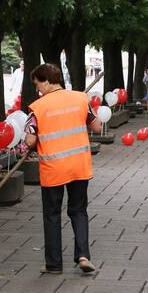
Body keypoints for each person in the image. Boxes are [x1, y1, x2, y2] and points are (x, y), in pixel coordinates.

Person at [24, 63, 101, 275]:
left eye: (37, 84)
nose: (37, 89)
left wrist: (30, 143)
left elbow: (30, 141)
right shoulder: (80, 99)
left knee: (52, 215)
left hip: (53, 167)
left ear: (47, 81)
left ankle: (54, 265)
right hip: (78, 165)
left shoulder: (37, 108)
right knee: (79, 211)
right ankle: (83, 255)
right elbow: (96, 127)